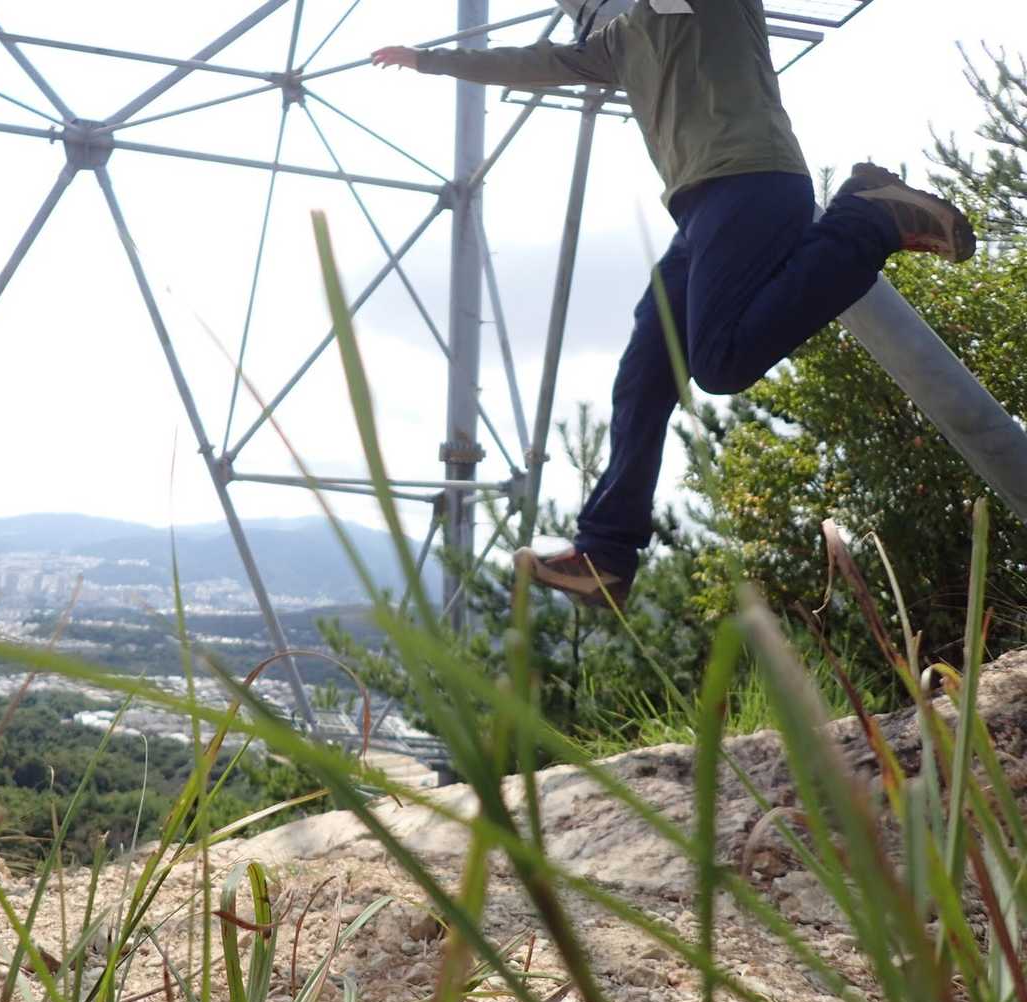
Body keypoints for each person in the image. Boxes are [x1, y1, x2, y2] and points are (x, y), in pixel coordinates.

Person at [372, 0, 975, 610]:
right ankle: (606, 552)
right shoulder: (619, 40)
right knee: (645, 372)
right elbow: (532, 63)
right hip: (698, 215)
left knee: (721, 363)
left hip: (754, 183)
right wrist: (429, 60)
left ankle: (869, 218)